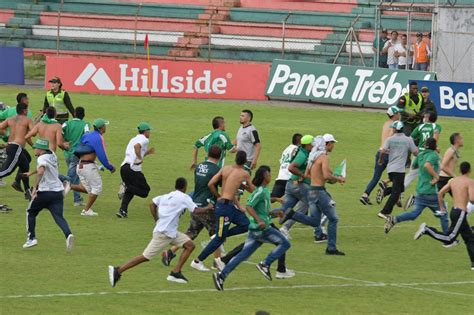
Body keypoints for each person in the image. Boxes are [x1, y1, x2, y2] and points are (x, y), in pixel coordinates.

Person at [108, 177, 214, 286]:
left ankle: (176, 272)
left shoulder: (166, 196)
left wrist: (156, 219)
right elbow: (196, 210)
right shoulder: (184, 197)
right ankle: (118, 270)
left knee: (190, 245)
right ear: (185, 187)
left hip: (170, 232)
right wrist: (208, 207)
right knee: (145, 257)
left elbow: (152, 203)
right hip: (164, 234)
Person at [212, 166, 291, 290]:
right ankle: (265, 264)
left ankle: (221, 276)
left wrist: (275, 214)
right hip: (262, 230)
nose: (271, 176)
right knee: (285, 243)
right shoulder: (260, 191)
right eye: (269, 174)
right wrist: (259, 221)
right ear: (265, 176)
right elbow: (249, 206)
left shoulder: (263, 191)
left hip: (255, 230)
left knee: (242, 256)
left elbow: (263, 212)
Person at [280, 134, 346, 255]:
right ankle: (331, 248)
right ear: (326, 145)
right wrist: (339, 179)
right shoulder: (323, 157)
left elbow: (308, 174)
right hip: (319, 192)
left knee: (315, 221)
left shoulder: (312, 157)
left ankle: (292, 214)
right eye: (332, 143)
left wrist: (330, 178)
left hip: (311, 190)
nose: (333, 146)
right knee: (334, 219)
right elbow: (326, 175)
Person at [191, 151, 255, 271]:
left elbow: (211, 184)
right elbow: (253, 191)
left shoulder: (225, 169)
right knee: (219, 239)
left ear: (235, 159)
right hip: (225, 208)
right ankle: (197, 261)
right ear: (245, 160)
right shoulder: (244, 173)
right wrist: (247, 186)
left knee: (246, 224)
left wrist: (219, 195)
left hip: (229, 206)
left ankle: (221, 234)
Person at [162, 145, 222, 269]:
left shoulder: (199, 166)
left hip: (195, 204)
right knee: (217, 235)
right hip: (207, 206)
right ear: (219, 156)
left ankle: (170, 252)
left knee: (191, 232)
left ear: (208, 154)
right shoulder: (216, 170)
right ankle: (217, 261)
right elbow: (218, 185)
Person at [414, 161, 474, 271]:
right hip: (461, 212)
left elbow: (440, 193)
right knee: (449, 238)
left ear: (460, 170)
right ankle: (427, 230)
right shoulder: (470, 182)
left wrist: (441, 207)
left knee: (470, 238)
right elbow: (472, 199)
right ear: (469, 170)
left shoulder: (452, 181)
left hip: (454, 211)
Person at [384, 138, 449, 234]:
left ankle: (394, 219)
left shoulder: (421, 155)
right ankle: (447, 237)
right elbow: (427, 165)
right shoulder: (434, 155)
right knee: (443, 214)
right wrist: (436, 176)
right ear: (435, 146)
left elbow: (414, 166)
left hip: (420, 191)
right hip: (430, 192)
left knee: (414, 214)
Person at [22, 138, 74, 253]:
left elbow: (41, 171)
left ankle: (31, 238)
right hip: (58, 192)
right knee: (59, 217)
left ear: (41, 150)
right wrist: (31, 173)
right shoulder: (52, 155)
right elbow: (45, 168)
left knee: (30, 212)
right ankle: (68, 234)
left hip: (45, 192)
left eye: (36, 148)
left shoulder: (41, 158)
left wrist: (35, 188)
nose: (34, 149)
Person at [70, 118, 115, 216]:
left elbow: (79, 149)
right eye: (105, 125)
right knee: (97, 187)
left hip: (80, 165)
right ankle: (86, 210)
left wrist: (98, 166)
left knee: (88, 189)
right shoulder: (98, 138)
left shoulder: (87, 135)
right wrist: (109, 167)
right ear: (102, 127)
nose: (105, 127)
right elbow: (101, 154)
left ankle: (67, 186)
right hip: (88, 167)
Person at [360, 105, 401, 205]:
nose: (399, 114)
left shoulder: (386, 123)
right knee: (398, 176)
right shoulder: (395, 124)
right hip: (390, 155)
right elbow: (391, 137)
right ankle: (394, 194)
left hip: (380, 152)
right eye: (398, 113)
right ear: (394, 115)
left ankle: (365, 195)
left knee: (375, 177)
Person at [378, 121, 418, 220]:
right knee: (396, 193)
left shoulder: (390, 139)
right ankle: (384, 212)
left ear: (395, 129)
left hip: (390, 169)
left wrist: (381, 160)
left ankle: (386, 191)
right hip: (400, 170)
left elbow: (382, 150)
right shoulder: (408, 140)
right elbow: (415, 152)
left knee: (401, 189)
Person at [403, 111, 442, 209]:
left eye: (425, 116)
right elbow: (435, 138)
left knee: (411, 174)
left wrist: (414, 149)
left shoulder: (420, 127)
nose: (424, 117)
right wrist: (435, 147)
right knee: (438, 174)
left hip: (419, 154)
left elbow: (411, 138)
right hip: (429, 154)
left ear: (428, 118)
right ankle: (431, 199)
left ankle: (399, 192)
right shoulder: (436, 127)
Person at [116, 122, 154, 218]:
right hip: (132, 169)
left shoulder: (133, 138)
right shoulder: (144, 139)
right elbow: (136, 147)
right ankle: (125, 187)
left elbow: (136, 151)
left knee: (132, 190)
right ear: (146, 131)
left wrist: (146, 153)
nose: (150, 133)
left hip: (124, 167)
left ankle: (122, 211)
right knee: (145, 191)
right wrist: (140, 158)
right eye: (149, 131)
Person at [0, 103, 34, 201]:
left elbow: (0, 127)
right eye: (27, 110)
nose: (27, 111)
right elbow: (33, 132)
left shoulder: (10, 119)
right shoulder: (27, 119)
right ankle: (23, 186)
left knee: (26, 163)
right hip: (16, 148)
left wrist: (6, 134)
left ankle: (27, 190)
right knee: (7, 170)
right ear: (24, 111)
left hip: (11, 146)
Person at [62, 107, 89, 206]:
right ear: (83, 115)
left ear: (74, 113)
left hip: (67, 153)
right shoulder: (85, 125)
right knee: (70, 176)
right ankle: (59, 189)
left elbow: (60, 132)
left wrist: (64, 142)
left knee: (75, 175)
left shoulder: (67, 123)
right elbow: (87, 136)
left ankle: (77, 199)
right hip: (77, 153)